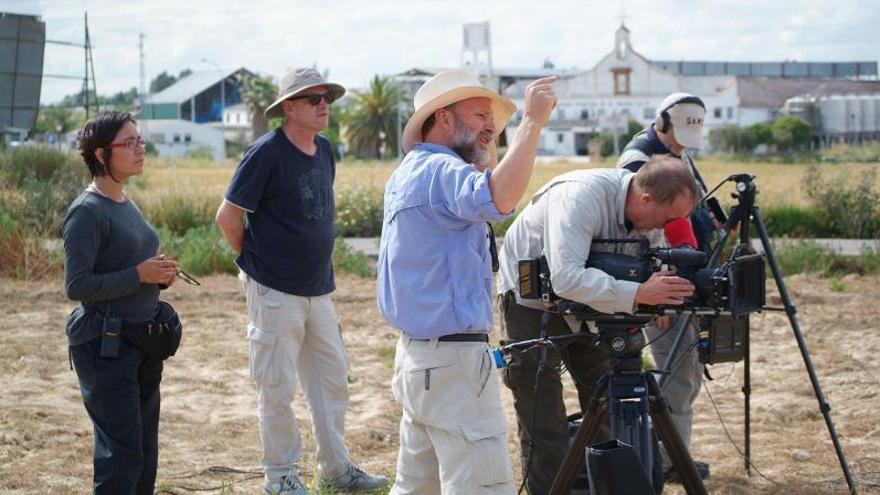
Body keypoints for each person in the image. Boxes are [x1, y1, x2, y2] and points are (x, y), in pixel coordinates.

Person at [377, 69, 557, 494]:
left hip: (419, 359)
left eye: (493, 121)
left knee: (416, 487)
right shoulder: (442, 171)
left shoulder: (411, 172)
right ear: (442, 117)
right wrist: (531, 123)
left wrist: (483, 144)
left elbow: (486, 184)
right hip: (453, 365)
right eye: (479, 115)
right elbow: (500, 197)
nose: (490, 126)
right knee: (481, 486)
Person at [215, 68, 387, 495]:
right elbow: (228, 217)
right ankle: (280, 477)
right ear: (288, 108)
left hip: (319, 289)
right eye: (312, 98)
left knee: (331, 382)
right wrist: (253, 265)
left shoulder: (325, 150)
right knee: (277, 387)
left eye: (326, 96)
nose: (323, 104)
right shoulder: (265, 153)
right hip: (274, 290)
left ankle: (336, 470)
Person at [496, 156, 699, 495]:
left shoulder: (649, 217)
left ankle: (608, 487)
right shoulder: (579, 197)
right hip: (531, 303)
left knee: (611, 408)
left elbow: (648, 268)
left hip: (595, 305)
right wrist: (639, 292)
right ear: (646, 199)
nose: (667, 229)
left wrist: (664, 289)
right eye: (667, 220)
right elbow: (566, 278)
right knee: (543, 418)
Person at [63, 111, 180, 494]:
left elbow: (126, 268)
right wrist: (138, 275)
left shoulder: (125, 202)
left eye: (140, 140)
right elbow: (77, 285)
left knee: (144, 452)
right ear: (101, 154)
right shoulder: (87, 212)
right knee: (123, 456)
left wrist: (157, 276)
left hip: (140, 342)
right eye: (129, 143)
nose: (140, 148)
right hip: (105, 347)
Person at [617, 92, 714, 481]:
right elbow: (640, 236)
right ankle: (668, 461)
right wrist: (655, 297)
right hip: (662, 286)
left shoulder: (676, 155)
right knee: (674, 376)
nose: (680, 147)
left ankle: (673, 455)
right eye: (676, 138)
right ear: (661, 123)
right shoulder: (638, 161)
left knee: (684, 373)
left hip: (679, 280)